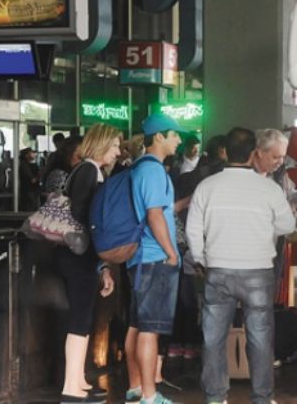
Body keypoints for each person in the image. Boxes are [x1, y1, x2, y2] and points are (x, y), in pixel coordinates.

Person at [186, 127, 296, 404]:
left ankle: (215, 397)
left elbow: (192, 229)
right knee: (259, 338)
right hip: (258, 270)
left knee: (213, 338)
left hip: (217, 270)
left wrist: (200, 258)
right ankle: (261, 397)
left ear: (225, 152)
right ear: (253, 154)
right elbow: (287, 225)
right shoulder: (268, 188)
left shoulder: (206, 187)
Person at [56, 124, 119, 403]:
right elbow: (85, 216)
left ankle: (78, 379)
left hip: (77, 255)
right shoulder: (90, 171)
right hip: (80, 256)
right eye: (115, 145)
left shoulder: (85, 170)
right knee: (80, 318)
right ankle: (71, 386)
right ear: (103, 144)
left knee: (82, 317)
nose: (118, 151)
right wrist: (102, 260)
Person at [123, 114, 183, 404]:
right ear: (159, 137)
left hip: (139, 259)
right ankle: (149, 395)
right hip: (154, 259)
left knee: (137, 324)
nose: (179, 141)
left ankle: (136, 386)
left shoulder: (139, 168)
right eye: (175, 135)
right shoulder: (153, 171)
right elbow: (154, 214)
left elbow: (159, 210)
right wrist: (171, 252)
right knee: (150, 329)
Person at [253, 129, 297, 287]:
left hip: (274, 250)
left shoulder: (280, 176)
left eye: (283, 156)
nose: (280, 162)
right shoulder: (243, 175)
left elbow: (293, 193)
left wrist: (296, 200)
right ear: (259, 152)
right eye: (276, 157)